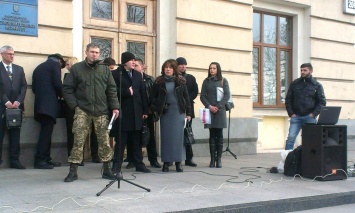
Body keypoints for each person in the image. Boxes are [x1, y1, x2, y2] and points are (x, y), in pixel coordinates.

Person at [62, 43, 120, 182]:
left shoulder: (104, 70)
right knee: (78, 140)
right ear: (86, 52)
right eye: (92, 52)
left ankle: (107, 170)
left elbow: (111, 89)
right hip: (83, 109)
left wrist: (115, 107)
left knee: (105, 141)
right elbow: (67, 89)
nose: (94, 55)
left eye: (97, 52)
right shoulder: (77, 69)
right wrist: (75, 106)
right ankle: (73, 171)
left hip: (101, 110)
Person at [111, 52, 150, 174]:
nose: (134, 62)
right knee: (121, 141)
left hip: (136, 112)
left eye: (134, 60)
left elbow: (142, 93)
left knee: (136, 141)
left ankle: (139, 163)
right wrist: (126, 92)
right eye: (131, 60)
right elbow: (111, 90)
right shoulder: (116, 74)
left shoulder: (138, 75)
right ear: (124, 62)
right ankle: (116, 166)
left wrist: (145, 110)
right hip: (123, 112)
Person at [150, 59, 192, 172]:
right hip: (165, 113)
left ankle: (179, 163)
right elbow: (152, 97)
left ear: (174, 69)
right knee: (166, 139)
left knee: (178, 139)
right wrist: (158, 106)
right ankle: (166, 163)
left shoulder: (181, 81)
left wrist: (189, 113)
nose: (168, 69)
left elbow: (186, 98)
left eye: (170, 67)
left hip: (178, 113)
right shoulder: (159, 81)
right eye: (166, 67)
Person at [32, 53, 65, 169]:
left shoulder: (39, 67)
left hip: (40, 106)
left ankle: (46, 158)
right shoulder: (55, 65)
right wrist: (63, 95)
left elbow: (34, 88)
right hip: (49, 106)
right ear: (59, 61)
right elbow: (57, 84)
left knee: (46, 133)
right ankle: (40, 160)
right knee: (46, 134)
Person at [285, 63, 326, 150]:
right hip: (296, 116)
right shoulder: (295, 84)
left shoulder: (317, 85)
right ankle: (287, 159)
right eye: (301, 70)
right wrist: (291, 113)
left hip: (309, 117)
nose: (302, 72)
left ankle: (308, 159)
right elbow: (288, 99)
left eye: (305, 70)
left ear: (311, 71)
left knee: (309, 139)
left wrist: (313, 114)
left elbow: (322, 102)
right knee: (290, 138)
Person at [0, 45, 27, 169]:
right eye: (9, 54)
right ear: (2, 54)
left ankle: (15, 160)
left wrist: (18, 101)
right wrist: (5, 101)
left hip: (16, 108)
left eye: (13, 54)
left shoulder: (19, 69)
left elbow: (23, 86)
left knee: (15, 134)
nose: (12, 56)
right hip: (2, 107)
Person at [200, 62, 230, 168]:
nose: (212, 70)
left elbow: (227, 95)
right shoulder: (206, 81)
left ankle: (219, 160)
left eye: (214, 68)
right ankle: (212, 160)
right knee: (212, 134)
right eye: (210, 68)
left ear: (218, 69)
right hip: (209, 111)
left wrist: (218, 106)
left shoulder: (223, 81)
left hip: (220, 111)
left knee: (220, 134)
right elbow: (202, 96)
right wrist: (209, 106)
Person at [135, 58, 161, 168]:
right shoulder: (130, 78)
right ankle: (134, 160)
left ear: (142, 66)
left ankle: (153, 160)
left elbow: (156, 95)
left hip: (148, 112)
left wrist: (151, 108)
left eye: (136, 65)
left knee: (150, 136)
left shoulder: (150, 79)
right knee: (135, 137)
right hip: (135, 112)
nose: (134, 67)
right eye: (133, 65)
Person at [176, 57, 198, 167]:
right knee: (175, 135)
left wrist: (186, 99)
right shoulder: (174, 78)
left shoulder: (191, 78)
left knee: (187, 133)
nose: (183, 66)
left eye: (185, 64)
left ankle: (189, 158)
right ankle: (174, 158)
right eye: (181, 65)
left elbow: (195, 91)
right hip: (176, 110)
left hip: (188, 109)